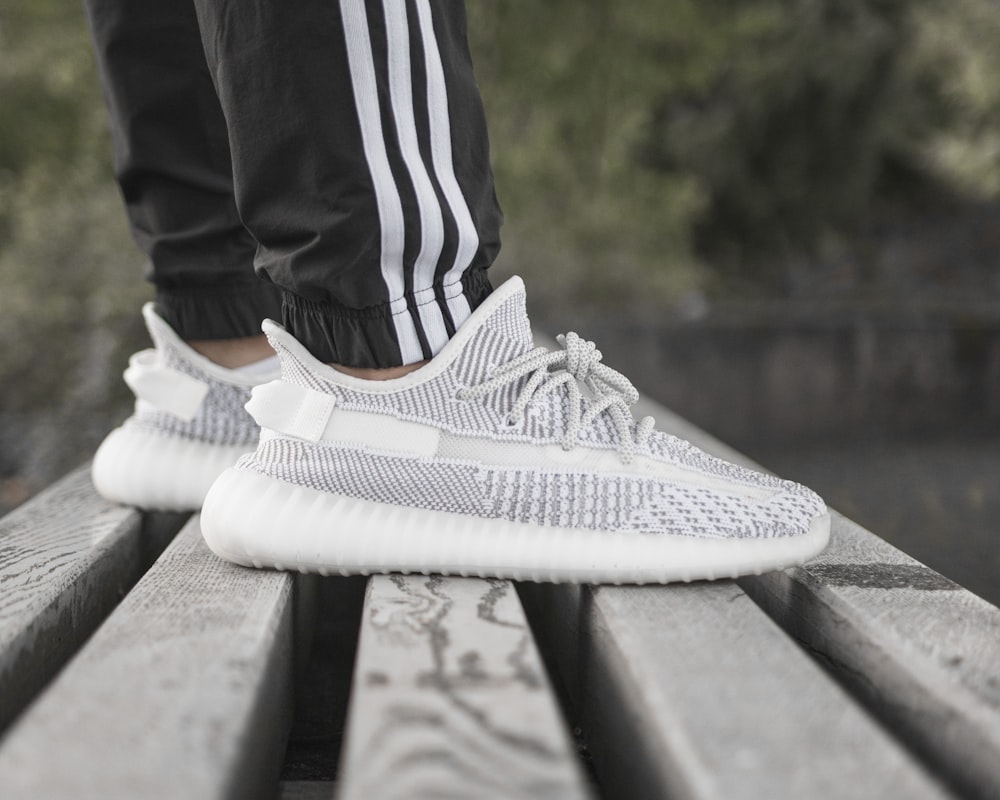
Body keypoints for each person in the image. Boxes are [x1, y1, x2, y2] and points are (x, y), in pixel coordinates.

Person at [86, 0, 830, 583]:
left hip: (219, 313)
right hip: (384, 366)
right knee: (397, 311)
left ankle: (230, 343)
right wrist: (386, 309)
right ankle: (402, 369)